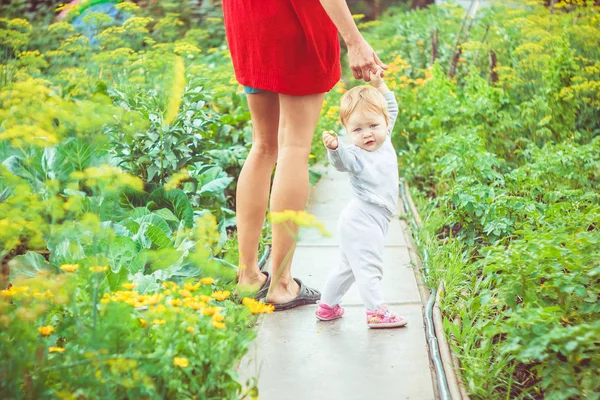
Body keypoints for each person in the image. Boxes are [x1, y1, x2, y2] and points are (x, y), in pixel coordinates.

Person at [222, 0, 388, 310]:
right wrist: (354, 40)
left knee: (263, 146)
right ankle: (282, 283)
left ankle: (247, 276)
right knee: (294, 148)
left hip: (247, 20)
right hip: (295, 23)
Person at [317, 70, 408, 328]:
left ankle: (327, 306)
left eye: (373, 126)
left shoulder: (385, 138)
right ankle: (376, 312)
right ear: (347, 132)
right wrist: (334, 149)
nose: (367, 134)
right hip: (362, 219)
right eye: (357, 129)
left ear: (385, 122)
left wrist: (380, 84)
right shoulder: (355, 155)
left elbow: (391, 106)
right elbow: (342, 163)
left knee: (347, 267)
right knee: (370, 267)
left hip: (365, 219)